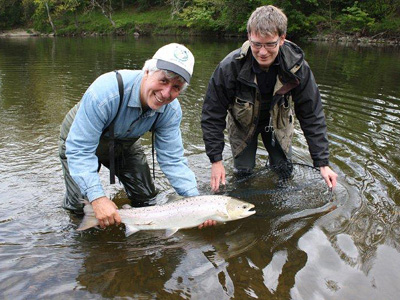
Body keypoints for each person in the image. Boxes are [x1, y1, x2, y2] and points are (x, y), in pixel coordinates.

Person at [59, 43, 215, 229]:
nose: (166, 94)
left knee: (147, 198)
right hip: (78, 142)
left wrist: (196, 203)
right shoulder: (105, 92)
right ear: (147, 71)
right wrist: (98, 197)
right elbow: (79, 149)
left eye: (176, 87)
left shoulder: (171, 111)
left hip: (124, 143)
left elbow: (172, 159)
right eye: (163, 81)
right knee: (80, 207)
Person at [201, 5, 338, 192]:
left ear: (282, 39)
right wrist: (216, 161)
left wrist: (322, 163)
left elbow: (311, 114)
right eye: (256, 44)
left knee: (284, 171)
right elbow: (212, 114)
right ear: (249, 36)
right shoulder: (229, 67)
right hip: (243, 125)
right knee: (243, 173)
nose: (262, 52)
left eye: (270, 44)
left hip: (278, 123)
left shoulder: (297, 68)